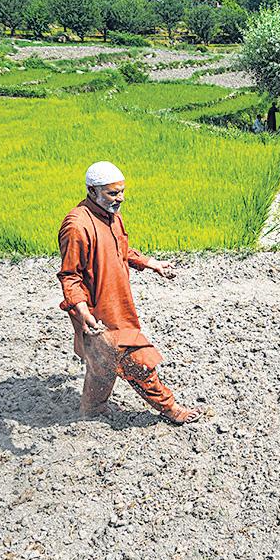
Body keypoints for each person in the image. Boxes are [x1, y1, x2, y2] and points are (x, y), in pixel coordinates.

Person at [57, 161, 208, 424]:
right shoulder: (77, 227)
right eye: (113, 193)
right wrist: (83, 313)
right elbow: (70, 276)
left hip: (118, 302)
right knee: (137, 361)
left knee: (102, 363)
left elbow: (120, 250)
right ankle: (170, 408)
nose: (121, 199)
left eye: (122, 191)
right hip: (98, 313)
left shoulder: (112, 216)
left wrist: (151, 264)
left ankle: (91, 409)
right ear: (92, 191)